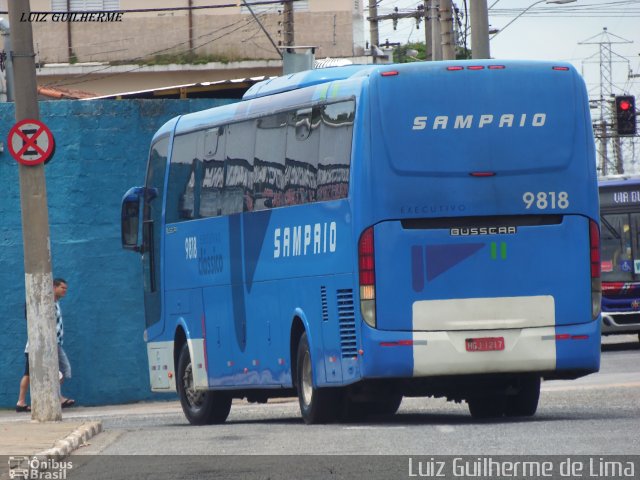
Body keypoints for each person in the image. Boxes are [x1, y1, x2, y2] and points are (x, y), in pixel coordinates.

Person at [16, 278, 75, 412]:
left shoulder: (56, 302)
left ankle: (53, 398)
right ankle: (48, 399)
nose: (65, 290)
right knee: (33, 373)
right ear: (54, 287)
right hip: (41, 345)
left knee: (59, 371)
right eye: (62, 288)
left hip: (55, 344)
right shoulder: (46, 303)